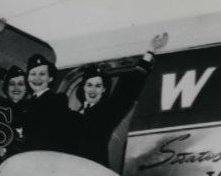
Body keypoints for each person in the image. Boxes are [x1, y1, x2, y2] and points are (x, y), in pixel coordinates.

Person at [69, 32, 169, 167]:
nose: (93, 90)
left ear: (103, 90)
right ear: (84, 88)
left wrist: (150, 51)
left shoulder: (107, 112)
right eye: (90, 85)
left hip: (94, 170)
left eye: (98, 86)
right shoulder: (71, 115)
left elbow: (128, 90)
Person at [21, 53, 72, 153]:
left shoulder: (57, 101)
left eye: (42, 74)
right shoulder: (27, 103)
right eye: (33, 74)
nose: (37, 78)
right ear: (28, 78)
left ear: (50, 78)